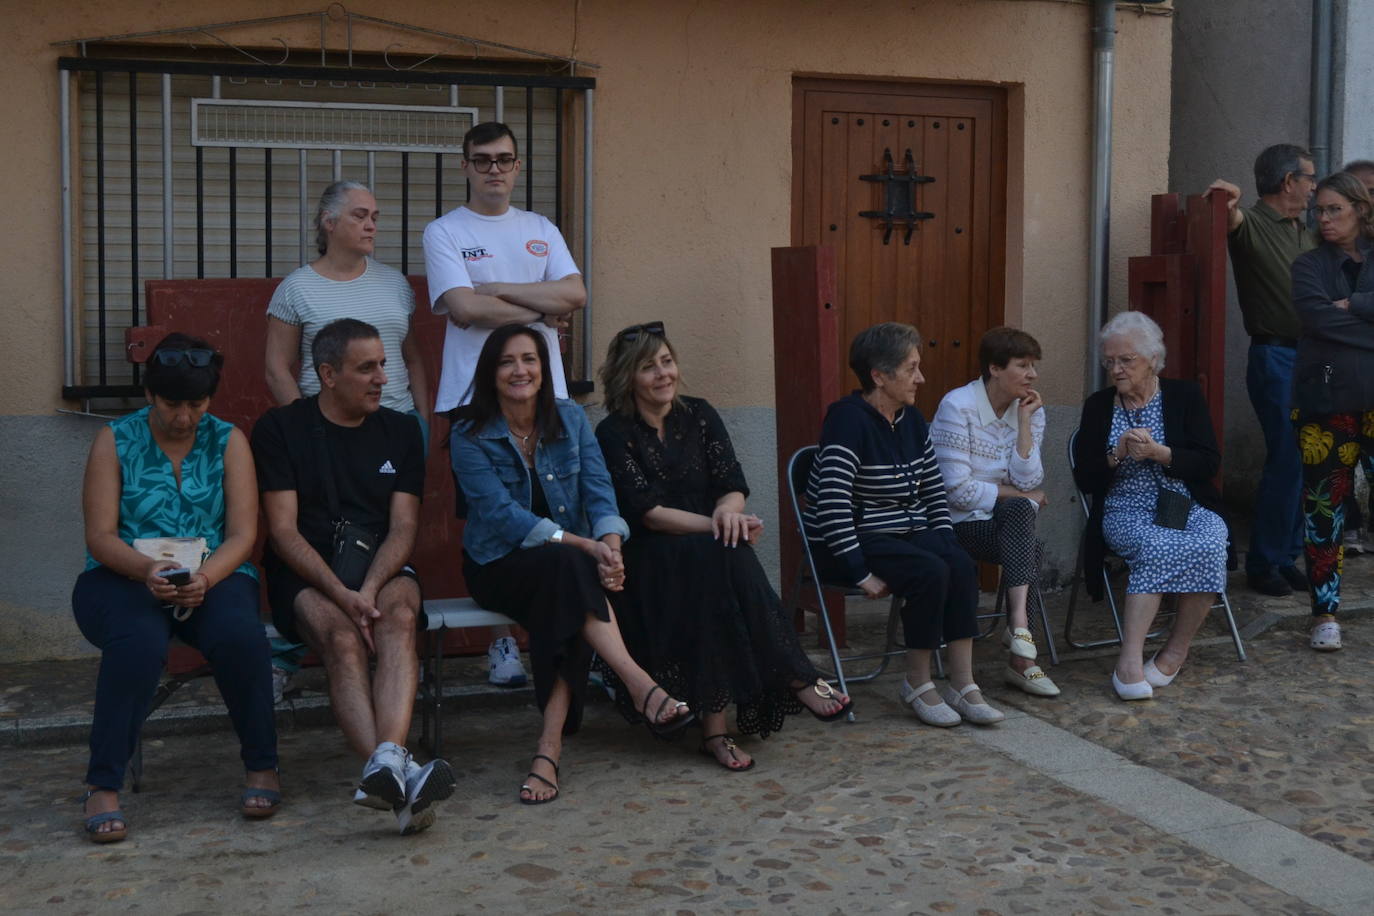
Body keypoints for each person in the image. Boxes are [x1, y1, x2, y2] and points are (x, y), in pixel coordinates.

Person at [592, 322, 851, 771]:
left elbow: (732, 483)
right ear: (626, 378)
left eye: (667, 362)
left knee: (721, 561)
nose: (663, 374)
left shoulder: (700, 414)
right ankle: (794, 675)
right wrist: (720, 524)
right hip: (649, 556)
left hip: (706, 549)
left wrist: (731, 514)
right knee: (722, 554)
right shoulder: (614, 433)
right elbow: (648, 512)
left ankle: (719, 730)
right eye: (648, 367)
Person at [452, 324, 692, 803]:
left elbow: (600, 490)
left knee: (570, 582)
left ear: (545, 369)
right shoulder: (469, 433)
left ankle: (549, 748)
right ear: (490, 372)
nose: (520, 370)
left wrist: (611, 546)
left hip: (570, 567)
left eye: (530, 359)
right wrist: (587, 548)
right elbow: (503, 517)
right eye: (507, 361)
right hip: (499, 565)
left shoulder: (571, 419)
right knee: (570, 568)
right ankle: (639, 682)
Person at [74, 334, 279, 843]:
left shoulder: (228, 440)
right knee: (138, 643)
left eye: (196, 403)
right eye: (171, 404)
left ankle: (262, 766)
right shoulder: (114, 440)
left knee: (241, 635)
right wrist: (146, 571)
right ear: (149, 396)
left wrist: (206, 577)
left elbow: (243, 535)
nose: (184, 416)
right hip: (122, 576)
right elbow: (99, 537)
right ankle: (103, 783)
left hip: (215, 573)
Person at [253, 319, 454, 835]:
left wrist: (365, 590)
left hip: (378, 566)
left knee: (400, 616)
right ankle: (399, 776)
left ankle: (384, 765)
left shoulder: (401, 430)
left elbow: (404, 527)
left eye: (384, 364)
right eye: (367, 368)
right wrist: (341, 593)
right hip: (308, 571)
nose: (382, 379)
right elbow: (282, 533)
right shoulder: (281, 429)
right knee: (342, 640)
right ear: (328, 374)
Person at [424, 121, 587, 687]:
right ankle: (502, 645)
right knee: (493, 519)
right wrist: (540, 313)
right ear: (465, 166)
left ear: (518, 167)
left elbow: (576, 294)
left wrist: (497, 291)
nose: (494, 168)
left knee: (558, 507)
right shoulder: (444, 231)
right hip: (474, 398)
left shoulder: (540, 228)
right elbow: (464, 310)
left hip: (546, 395)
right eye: (482, 159)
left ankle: (571, 637)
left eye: (504, 159)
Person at [263, 180, 432, 700]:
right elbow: (275, 365)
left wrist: (423, 416)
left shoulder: (394, 285)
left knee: (390, 543)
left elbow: (413, 356)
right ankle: (291, 652)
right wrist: (306, 430)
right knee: (317, 539)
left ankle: (395, 654)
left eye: (375, 216)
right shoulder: (297, 289)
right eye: (360, 215)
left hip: (396, 427)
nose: (372, 225)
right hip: (326, 433)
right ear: (328, 223)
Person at [804, 322, 1004, 728]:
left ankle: (963, 683)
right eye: (911, 368)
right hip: (851, 543)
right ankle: (917, 682)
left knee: (960, 563)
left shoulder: (910, 420)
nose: (921, 378)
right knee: (929, 572)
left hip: (906, 534)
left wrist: (946, 540)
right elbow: (831, 503)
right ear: (879, 376)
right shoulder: (847, 421)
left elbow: (932, 488)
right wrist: (859, 572)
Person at [1073, 311, 1230, 701]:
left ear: (1153, 360)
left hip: (1182, 503)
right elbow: (1086, 480)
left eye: (1126, 360)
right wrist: (1116, 452)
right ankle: (1129, 661)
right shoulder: (1099, 406)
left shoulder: (1184, 396)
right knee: (1157, 545)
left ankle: (1174, 652)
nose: (1116, 370)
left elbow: (1209, 462)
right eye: (1109, 361)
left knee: (1213, 541)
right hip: (1125, 508)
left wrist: (1162, 453)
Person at [1208, 145, 1317, 597]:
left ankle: (1287, 554)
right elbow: (1226, 209)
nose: (1314, 186)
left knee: (1309, 458)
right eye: (1309, 177)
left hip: (1312, 357)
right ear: (1288, 181)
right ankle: (1264, 561)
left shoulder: (1305, 232)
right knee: (1288, 457)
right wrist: (1228, 193)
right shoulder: (1251, 224)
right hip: (1277, 357)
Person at [931, 327, 1060, 698]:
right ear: (995, 369)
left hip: (1005, 521)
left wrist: (1022, 424)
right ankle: (1022, 660)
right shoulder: (958, 407)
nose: (1033, 375)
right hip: (957, 525)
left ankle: (1018, 629)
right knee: (1027, 539)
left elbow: (1031, 478)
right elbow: (956, 491)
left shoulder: (1031, 411)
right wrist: (1015, 493)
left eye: (1033, 365)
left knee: (1020, 510)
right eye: (1023, 365)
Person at [1289, 172, 1374, 651]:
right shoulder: (1308, 266)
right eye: (1317, 210)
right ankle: (1324, 613)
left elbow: (1334, 320)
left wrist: (1355, 304)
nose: (1322, 218)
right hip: (1326, 405)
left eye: (1333, 209)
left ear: (1360, 210)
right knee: (1324, 509)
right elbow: (1316, 318)